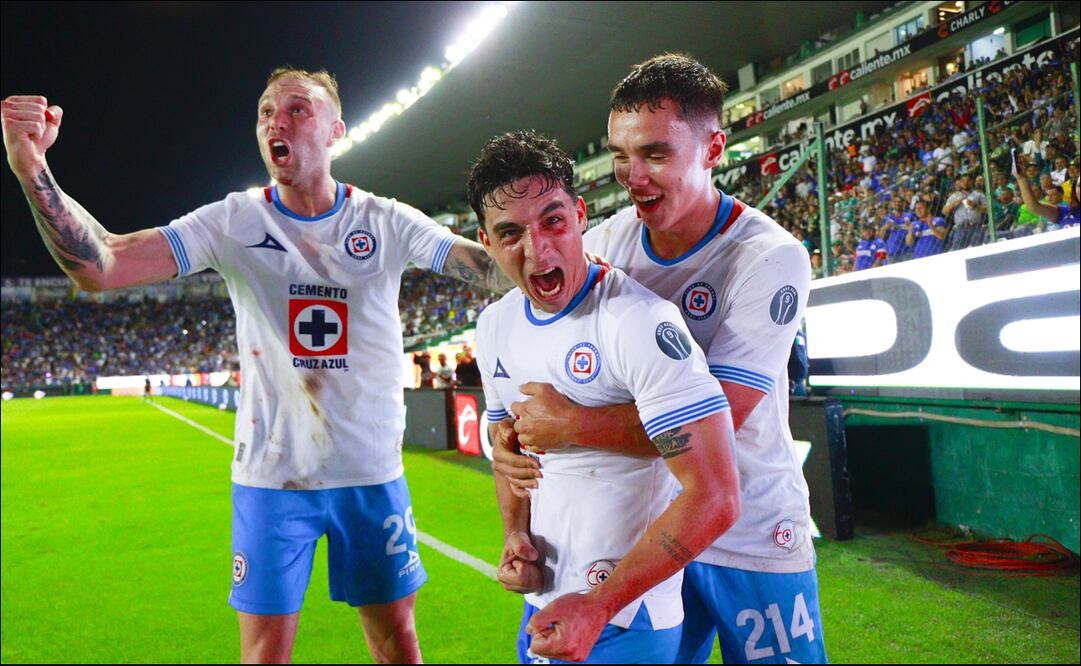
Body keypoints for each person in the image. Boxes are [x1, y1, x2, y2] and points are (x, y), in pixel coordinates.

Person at [1, 67, 511, 664]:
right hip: (273, 482)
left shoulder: (385, 220)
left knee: (398, 643)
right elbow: (102, 265)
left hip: (371, 475)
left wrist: (577, 257)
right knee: (264, 656)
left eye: (297, 109)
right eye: (267, 112)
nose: (277, 121)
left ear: (336, 130)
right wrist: (30, 166)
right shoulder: (235, 220)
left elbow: (487, 269)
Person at [492, 54, 825, 664]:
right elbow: (540, 355)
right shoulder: (606, 242)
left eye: (655, 154)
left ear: (713, 148)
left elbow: (722, 417)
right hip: (646, 536)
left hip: (748, 525)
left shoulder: (768, 257)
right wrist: (510, 440)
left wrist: (572, 427)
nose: (632, 175)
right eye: (620, 156)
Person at [469, 130, 740, 663]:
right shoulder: (493, 326)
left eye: (553, 220)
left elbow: (716, 495)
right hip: (544, 604)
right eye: (510, 234)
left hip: (625, 614)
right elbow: (510, 453)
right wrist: (515, 535)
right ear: (487, 243)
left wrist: (596, 606)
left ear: (580, 214)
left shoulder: (639, 321)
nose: (538, 249)